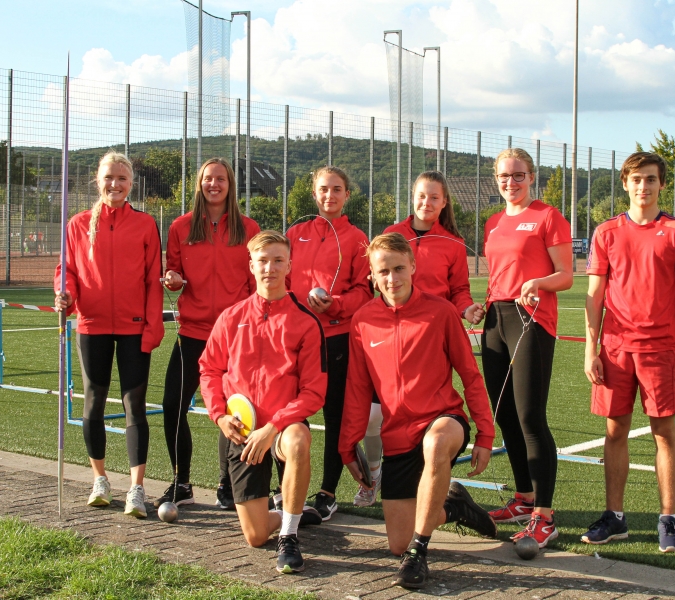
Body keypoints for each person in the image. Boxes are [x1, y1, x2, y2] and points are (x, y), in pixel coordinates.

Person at [340, 233, 497, 590]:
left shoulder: (440, 312)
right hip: (397, 436)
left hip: (443, 420)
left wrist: (485, 434)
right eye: (383, 271)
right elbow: (357, 390)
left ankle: (420, 553)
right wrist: (347, 446)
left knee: (437, 443)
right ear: (372, 276)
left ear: (412, 266)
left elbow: (470, 377)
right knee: (397, 542)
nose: (392, 278)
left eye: (398, 268)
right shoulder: (363, 321)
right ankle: (454, 507)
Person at [580, 151, 675, 553]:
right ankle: (615, 517)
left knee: (664, 433)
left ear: (661, 184)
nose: (643, 186)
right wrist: (591, 348)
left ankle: (667, 519)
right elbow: (594, 296)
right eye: (636, 179)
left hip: (660, 347)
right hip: (615, 349)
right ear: (625, 183)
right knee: (614, 431)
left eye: (650, 179)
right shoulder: (606, 232)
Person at [351, 171, 484, 508]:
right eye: (421, 196)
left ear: (444, 202)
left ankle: (435, 490)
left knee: (431, 415)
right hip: (390, 332)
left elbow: (459, 291)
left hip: (433, 334)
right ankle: (377, 475)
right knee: (375, 415)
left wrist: (466, 309)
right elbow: (377, 281)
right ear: (413, 197)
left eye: (434, 198)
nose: (427, 203)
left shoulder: (452, 243)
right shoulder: (392, 233)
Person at [199, 231, 327, 574]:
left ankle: (289, 535)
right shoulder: (231, 317)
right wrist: (219, 416)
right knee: (255, 537)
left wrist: (274, 427)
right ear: (251, 265)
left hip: (282, 427)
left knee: (299, 439)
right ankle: (290, 513)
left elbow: (314, 392)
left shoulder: (306, 322)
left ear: (289, 265)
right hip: (243, 430)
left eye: (278, 260)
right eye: (262, 260)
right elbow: (209, 369)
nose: (270, 267)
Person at [54, 151, 163, 518]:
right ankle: (99, 479)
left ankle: (136, 488)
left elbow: (153, 280)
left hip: (134, 327)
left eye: (122, 178)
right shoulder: (77, 224)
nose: (114, 184)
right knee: (93, 402)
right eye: (108, 178)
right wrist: (65, 293)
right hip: (92, 324)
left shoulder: (146, 225)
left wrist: (152, 326)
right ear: (97, 180)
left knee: (135, 405)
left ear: (131, 183)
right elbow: (66, 271)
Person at [154, 158, 260, 511]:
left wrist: (244, 322)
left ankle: (227, 485)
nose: (214, 184)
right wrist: (173, 278)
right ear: (199, 184)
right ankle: (181, 481)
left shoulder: (248, 228)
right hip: (193, 333)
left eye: (220, 179)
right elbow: (175, 271)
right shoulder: (181, 226)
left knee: (234, 413)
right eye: (207, 179)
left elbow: (253, 283)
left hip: (234, 338)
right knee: (172, 406)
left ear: (230, 184)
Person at [482, 148, 573, 548]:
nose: (511, 183)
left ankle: (545, 517)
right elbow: (499, 274)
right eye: (504, 176)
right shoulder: (494, 222)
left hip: (530, 319)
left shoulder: (548, 217)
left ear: (531, 177)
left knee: (530, 417)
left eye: (518, 175)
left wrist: (539, 283)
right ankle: (523, 499)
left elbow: (567, 275)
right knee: (504, 415)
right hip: (494, 319)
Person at [285, 166, 372, 522]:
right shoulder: (296, 233)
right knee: (293, 414)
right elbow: (283, 280)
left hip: (336, 338)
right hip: (297, 339)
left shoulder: (357, 238)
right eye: (323, 189)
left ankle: (328, 492)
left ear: (346, 195)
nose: (329, 196)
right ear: (314, 192)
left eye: (337, 189)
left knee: (336, 416)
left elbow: (364, 291)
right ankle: (288, 490)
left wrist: (335, 305)